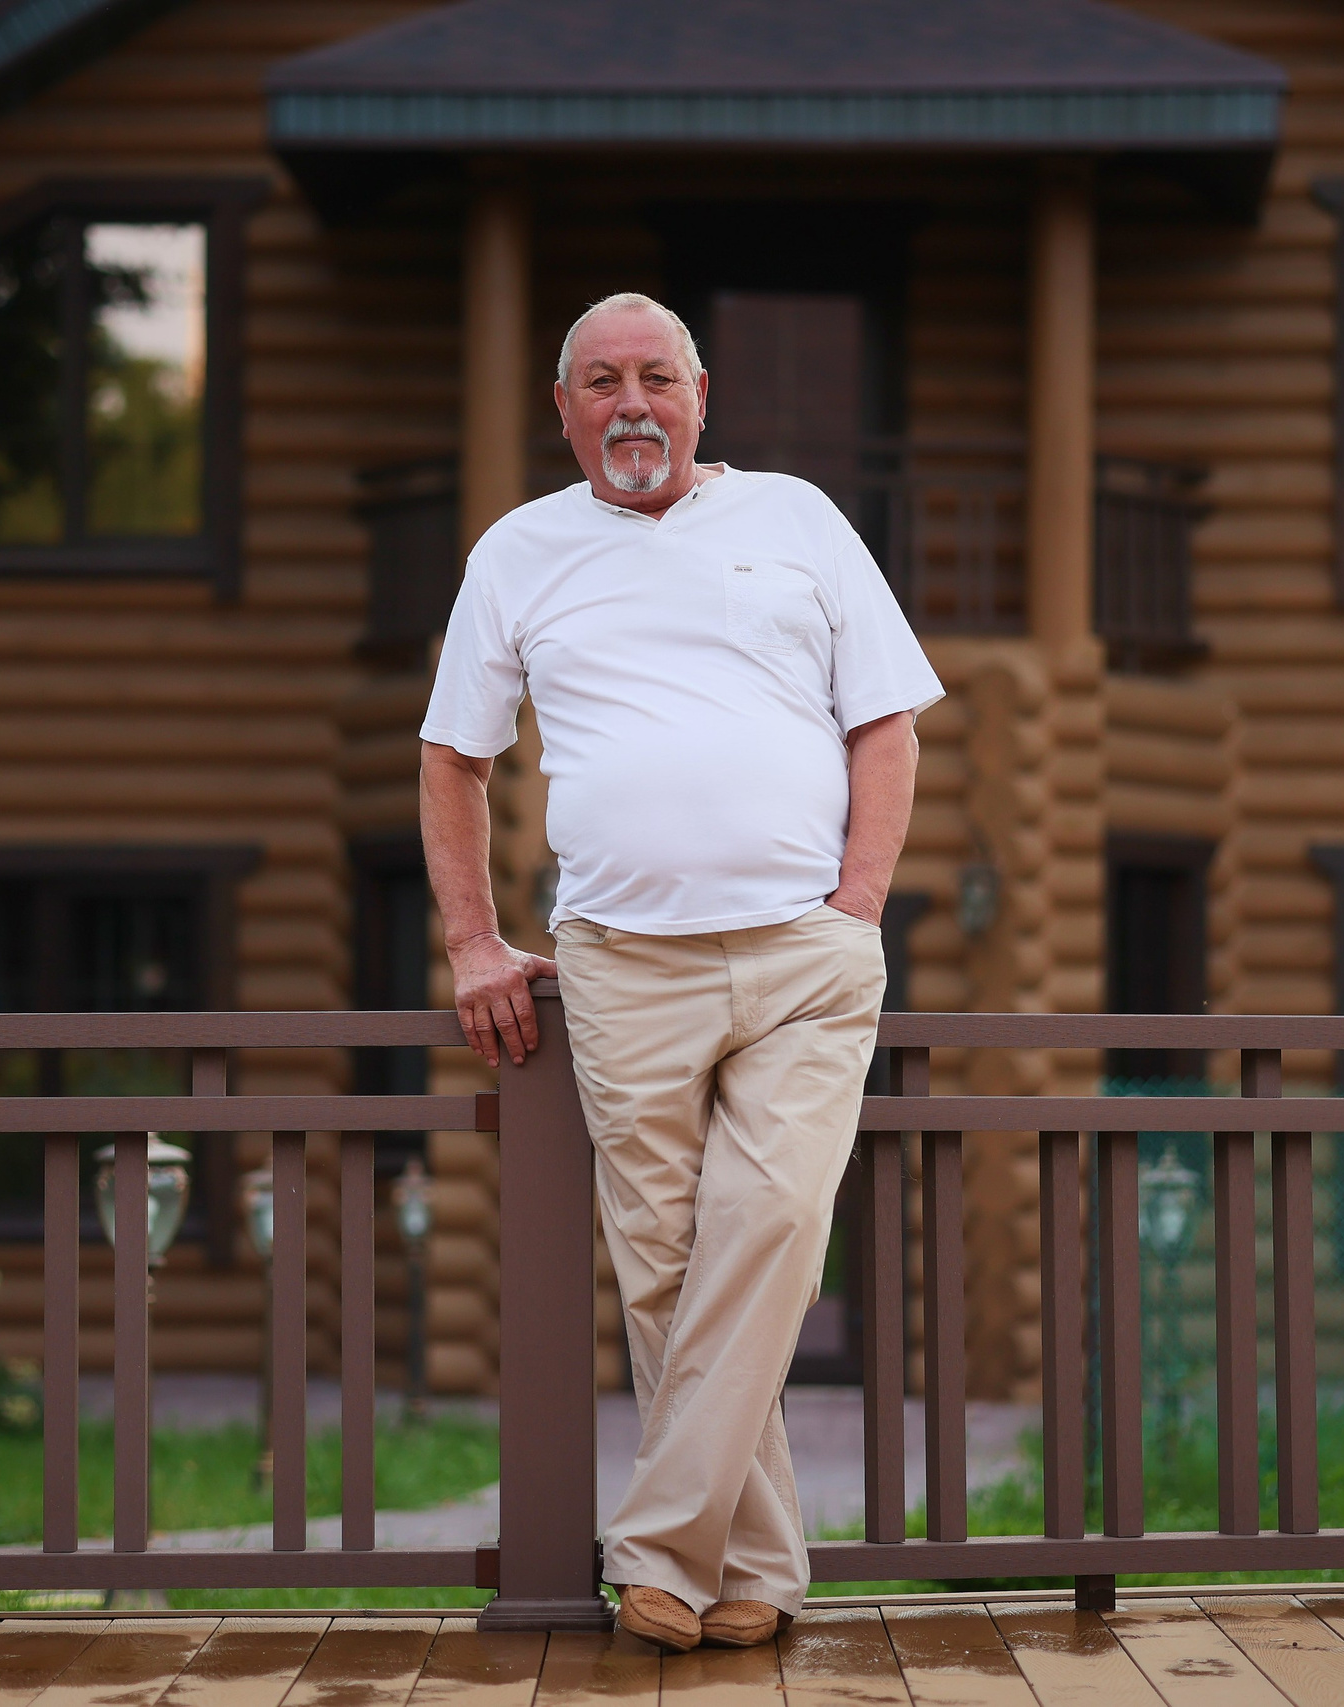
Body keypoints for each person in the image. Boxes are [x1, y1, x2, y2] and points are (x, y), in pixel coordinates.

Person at [418, 291, 942, 1650]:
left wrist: (857, 906)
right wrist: (473, 940)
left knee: (769, 1226)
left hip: (804, 957)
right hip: (620, 963)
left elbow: (886, 726)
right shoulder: (517, 552)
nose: (632, 403)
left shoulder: (799, 520)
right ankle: (750, 1577)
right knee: (661, 1271)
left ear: (702, 395)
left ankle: (653, 1548)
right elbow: (454, 757)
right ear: (565, 409)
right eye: (602, 382)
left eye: (657, 376)